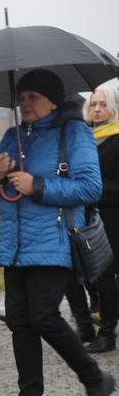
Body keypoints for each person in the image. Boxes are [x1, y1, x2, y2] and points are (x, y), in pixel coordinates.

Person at [0, 69, 113, 396]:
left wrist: (38, 184)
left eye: (33, 97)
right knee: (20, 323)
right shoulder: (12, 136)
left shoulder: (75, 132)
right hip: (14, 245)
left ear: (53, 100)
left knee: (44, 317)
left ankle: (94, 378)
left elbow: (89, 188)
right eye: (21, 98)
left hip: (55, 243)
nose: (25, 104)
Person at [80, 87, 119, 353]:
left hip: (113, 218)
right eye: (93, 104)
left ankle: (107, 335)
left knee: (106, 275)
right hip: (90, 218)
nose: (96, 109)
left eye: (103, 104)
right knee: (96, 275)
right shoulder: (85, 138)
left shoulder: (116, 139)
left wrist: (90, 189)